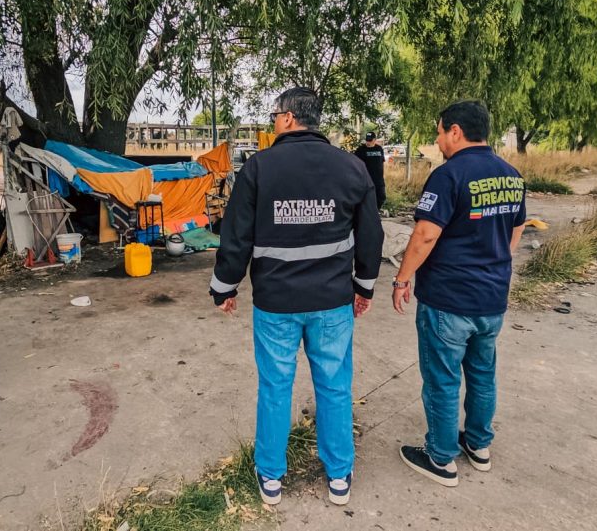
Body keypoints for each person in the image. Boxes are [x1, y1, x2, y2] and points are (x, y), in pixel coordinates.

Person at [209, 87, 384, 506]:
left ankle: (271, 477)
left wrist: (224, 286)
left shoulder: (259, 168)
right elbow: (371, 234)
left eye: (274, 115)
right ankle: (339, 475)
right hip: (332, 303)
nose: (273, 122)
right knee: (335, 386)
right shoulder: (351, 167)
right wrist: (364, 286)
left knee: (275, 386)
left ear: (288, 118)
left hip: (276, 304)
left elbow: (236, 235)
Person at [392, 100, 526, 487]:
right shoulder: (511, 175)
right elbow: (516, 230)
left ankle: (440, 457)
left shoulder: (448, 175)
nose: (437, 140)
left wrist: (403, 278)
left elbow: (426, 233)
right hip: (492, 298)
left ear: (455, 131)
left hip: (449, 299)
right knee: (483, 373)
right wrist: (493, 263)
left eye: (439, 131)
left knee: (442, 377)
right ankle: (479, 446)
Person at [354, 132, 386, 209]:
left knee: (381, 197)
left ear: (375, 140)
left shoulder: (379, 149)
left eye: (370, 140)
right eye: (367, 140)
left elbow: (382, 162)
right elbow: (355, 163)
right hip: (366, 179)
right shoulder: (360, 150)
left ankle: (376, 211)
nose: (368, 142)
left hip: (378, 179)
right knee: (367, 198)